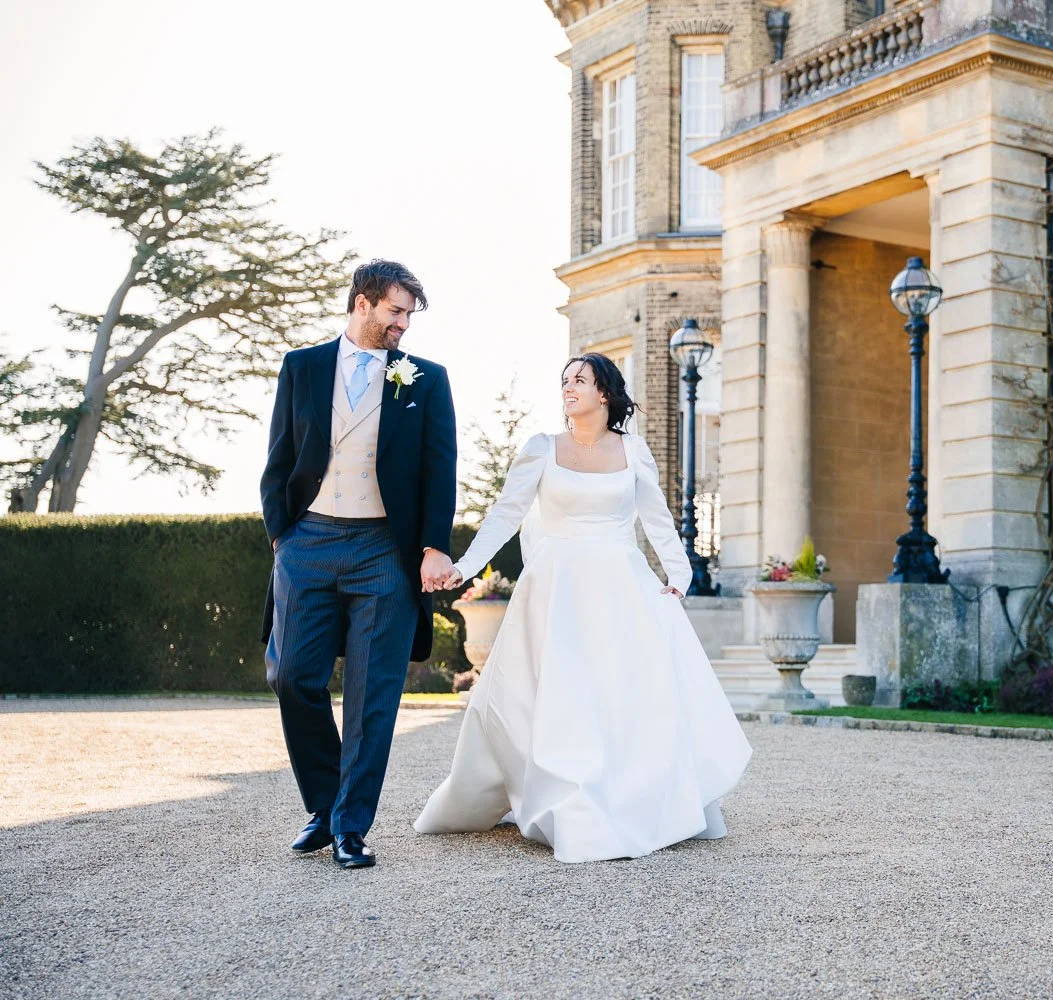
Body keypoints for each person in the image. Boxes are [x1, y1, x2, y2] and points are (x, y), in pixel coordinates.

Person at [414, 353, 751, 863]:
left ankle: (627, 793)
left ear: (604, 394)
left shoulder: (633, 451)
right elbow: (506, 515)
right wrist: (463, 565)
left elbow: (657, 521)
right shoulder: (541, 449)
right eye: (564, 381)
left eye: (580, 380)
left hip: (621, 584)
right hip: (555, 588)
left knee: (620, 691)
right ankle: (566, 795)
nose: (568, 388)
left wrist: (678, 580)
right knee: (560, 692)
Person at [260, 260, 458, 869]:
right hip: (309, 541)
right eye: (395, 311)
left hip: (383, 549)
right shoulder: (303, 366)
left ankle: (350, 825)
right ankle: (323, 805)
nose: (403, 325)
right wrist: (281, 536)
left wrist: (432, 545)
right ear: (362, 303)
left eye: (408, 315)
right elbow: (280, 454)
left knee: (374, 695)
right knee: (292, 675)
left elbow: (437, 468)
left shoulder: (425, 379)